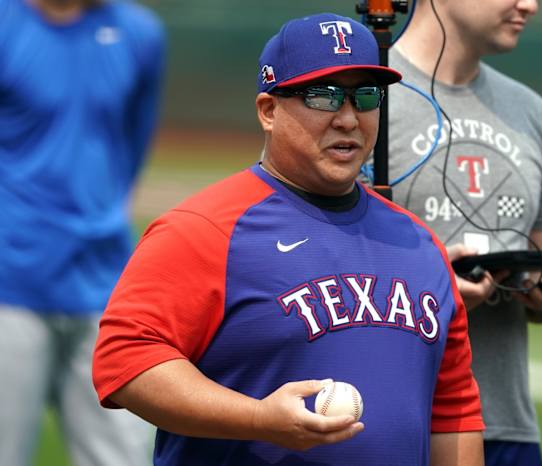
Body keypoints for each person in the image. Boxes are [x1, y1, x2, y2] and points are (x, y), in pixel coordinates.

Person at [92, 12, 485, 466]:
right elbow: (124, 361)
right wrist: (257, 418)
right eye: (323, 96)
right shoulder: (203, 228)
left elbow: (453, 409)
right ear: (269, 111)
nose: (348, 118)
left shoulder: (418, 244)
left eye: (365, 96)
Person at [386, 1, 542, 464]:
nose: (530, 4)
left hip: (506, 428)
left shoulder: (533, 114)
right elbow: (308, 268)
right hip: (389, 424)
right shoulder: (365, 94)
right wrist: (431, 291)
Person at [0, 0, 165, 465]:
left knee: (124, 458)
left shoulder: (139, 33)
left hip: (106, 280)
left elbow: (133, 142)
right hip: (9, 281)